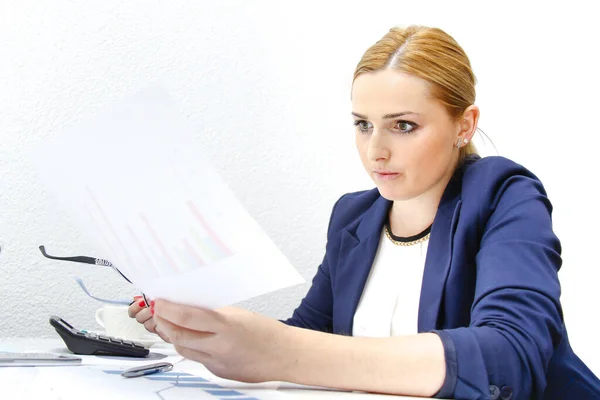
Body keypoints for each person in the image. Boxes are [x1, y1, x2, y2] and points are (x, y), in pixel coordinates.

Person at [128, 25, 600, 399]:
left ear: (465, 124)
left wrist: (278, 353)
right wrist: (211, 329)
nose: (376, 150)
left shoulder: (503, 194)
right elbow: (308, 336)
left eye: (403, 126)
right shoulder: (353, 218)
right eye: (363, 125)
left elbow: (511, 356)